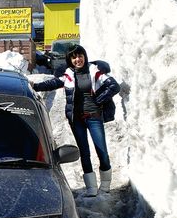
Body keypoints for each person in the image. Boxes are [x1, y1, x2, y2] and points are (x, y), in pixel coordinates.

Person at [30, 44, 120, 196]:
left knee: (102, 151)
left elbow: (114, 86)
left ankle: (105, 185)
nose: (78, 59)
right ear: (70, 60)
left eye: (80, 56)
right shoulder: (68, 75)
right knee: (84, 152)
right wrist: (35, 86)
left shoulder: (95, 71)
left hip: (94, 117)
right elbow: (52, 83)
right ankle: (91, 187)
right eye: (74, 57)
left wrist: (99, 100)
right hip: (76, 119)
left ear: (84, 56)